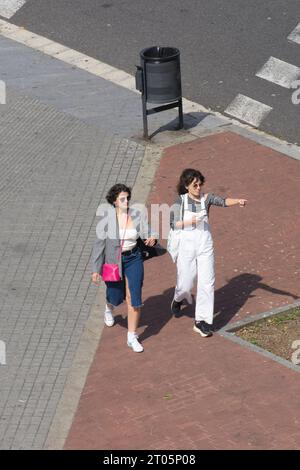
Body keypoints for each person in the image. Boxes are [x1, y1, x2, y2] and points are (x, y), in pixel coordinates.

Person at [170, 168, 247, 337]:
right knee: (186, 282)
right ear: (186, 186)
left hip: (205, 245)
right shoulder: (180, 202)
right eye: (194, 185)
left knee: (207, 282)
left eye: (200, 184)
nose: (198, 187)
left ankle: (201, 321)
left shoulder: (207, 198)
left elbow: (223, 201)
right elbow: (173, 223)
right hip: (187, 246)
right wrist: (188, 221)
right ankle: (178, 298)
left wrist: (238, 201)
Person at [91, 184, 157, 353]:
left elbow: (148, 230)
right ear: (114, 201)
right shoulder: (106, 220)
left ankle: (132, 336)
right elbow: (99, 246)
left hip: (134, 258)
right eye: (122, 199)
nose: (126, 201)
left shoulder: (135, 215)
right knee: (115, 295)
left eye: (127, 198)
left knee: (134, 296)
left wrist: (152, 237)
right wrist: (96, 269)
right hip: (114, 261)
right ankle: (109, 307)